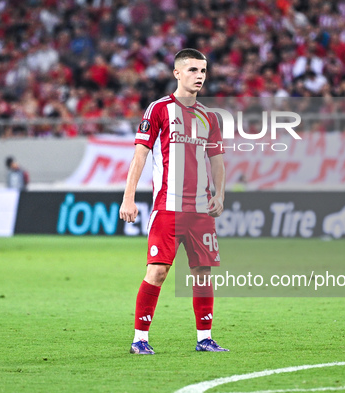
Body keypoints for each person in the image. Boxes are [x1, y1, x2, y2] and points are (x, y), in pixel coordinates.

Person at [119, 48, 228, 355]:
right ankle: (140, 339)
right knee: (157, 271)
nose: (200, 76)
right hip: (168, 206)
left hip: (200, 210)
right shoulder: (158, 109)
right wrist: (129, 198)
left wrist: (219, 194)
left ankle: (204, 338)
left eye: (204, 71)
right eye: (193, 70)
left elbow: (217, 159)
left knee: (203, 271)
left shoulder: (210, 117)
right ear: (177, 73)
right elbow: (140, 155)